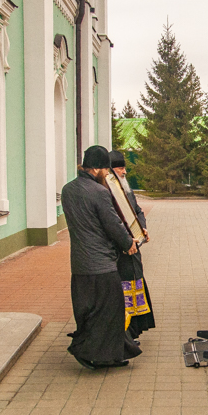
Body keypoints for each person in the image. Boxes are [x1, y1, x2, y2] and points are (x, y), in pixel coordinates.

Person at [62, 145, 143, 369]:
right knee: (110, 311)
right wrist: (128, 244)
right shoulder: (99, 192)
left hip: (79, 264)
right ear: (96, 168)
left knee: (87, 309)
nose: (108, 174)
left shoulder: (68, 190)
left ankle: (103, 353)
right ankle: (94, 353)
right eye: (106, 170)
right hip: (101, 264)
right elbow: (112, 225)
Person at [109, 150, 155, 341]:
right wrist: (127, 241)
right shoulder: (107, 193)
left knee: (136, 284)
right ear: (110, 171)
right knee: (125, 289)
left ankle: (135, 328)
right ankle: (126, 331)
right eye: (121, 168)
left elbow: (137, 211)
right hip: (122, 250)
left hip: (134, 249)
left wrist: (142, 228)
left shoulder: (126, 190)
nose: (125, 172)